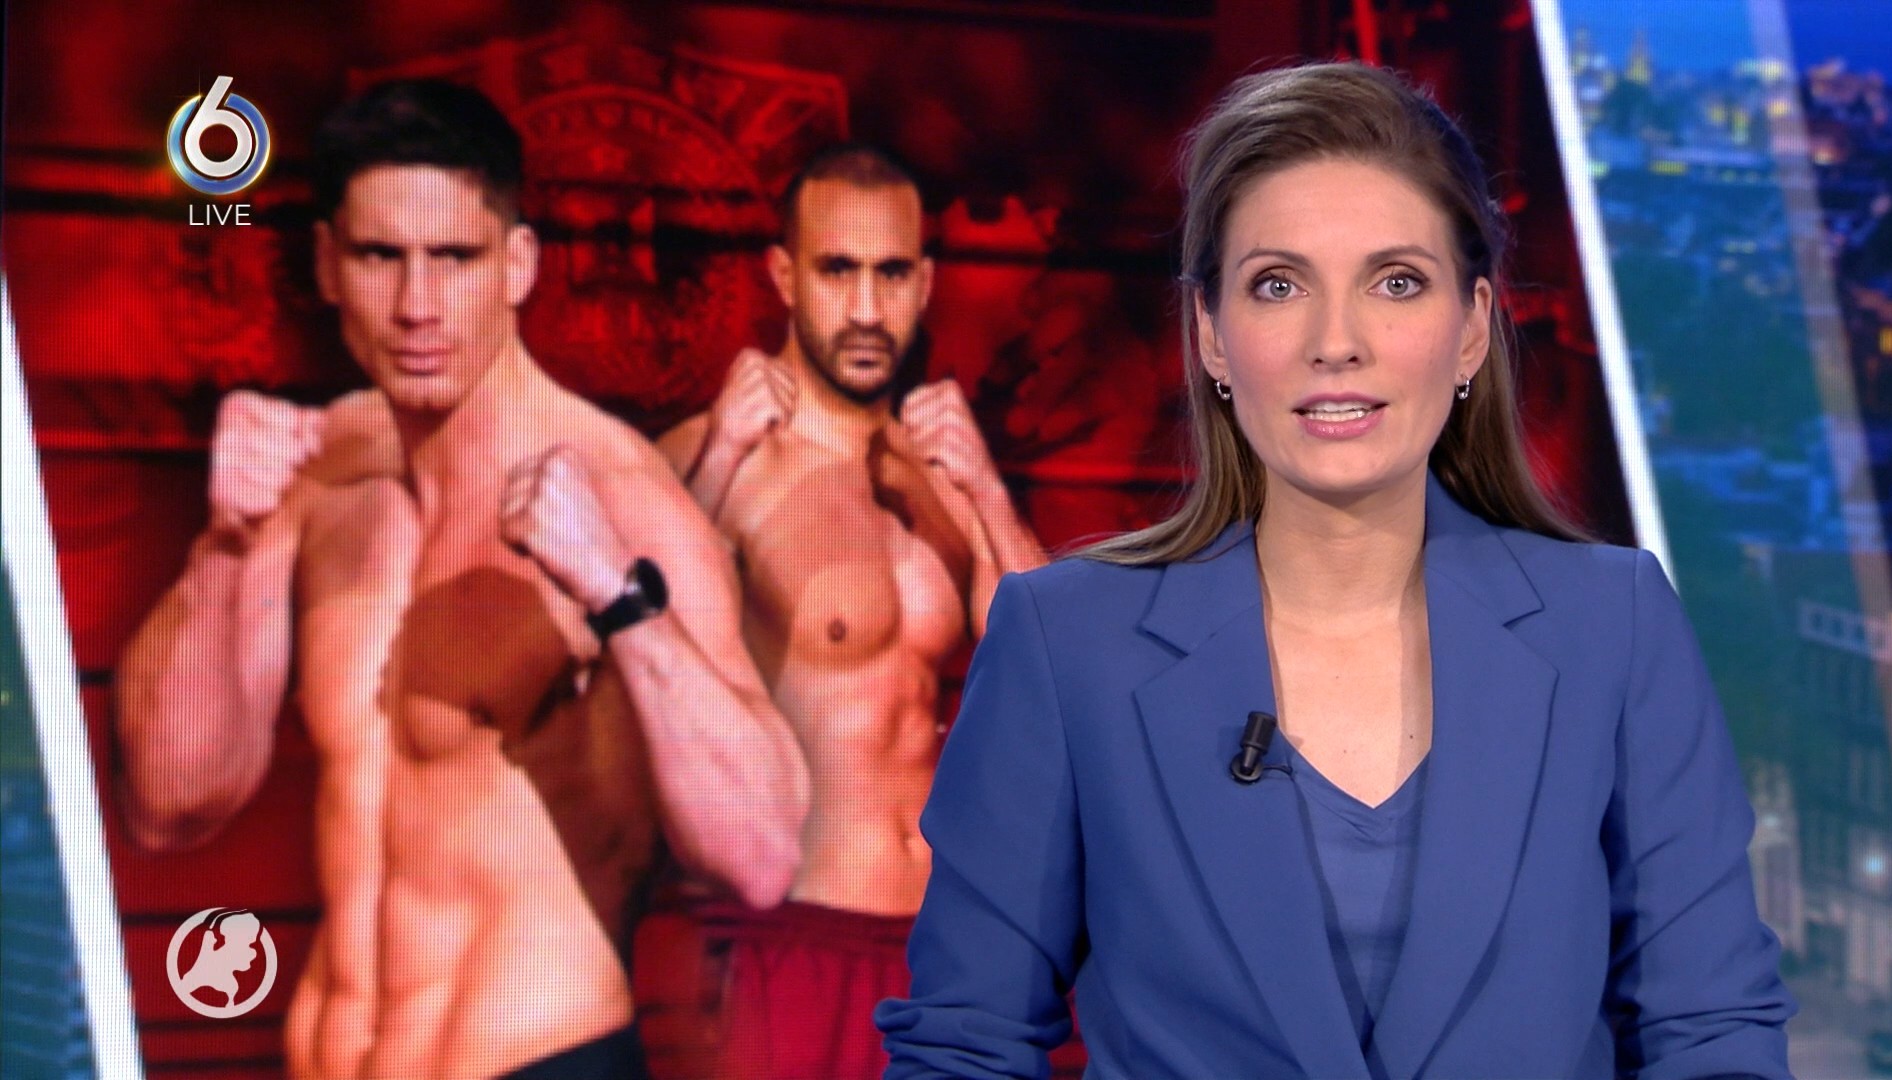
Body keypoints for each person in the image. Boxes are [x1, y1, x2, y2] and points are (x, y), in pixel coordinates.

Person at [875, 62, 1796, 1079]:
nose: (1336, 343)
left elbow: (1713, 1031)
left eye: (1395, 281)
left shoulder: (1613, 627)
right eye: (1279, 285)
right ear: (1211, 335)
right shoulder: (1068, 644)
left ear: (1473, 328)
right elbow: (963, 1045)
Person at [114, 79, 808, 1080]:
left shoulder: (617, 498)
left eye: (455, 258)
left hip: (538, 1058)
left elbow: (760, 857)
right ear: (327, 264)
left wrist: (617, 594)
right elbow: (172, 805)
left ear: (519, 264)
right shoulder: (317, 474)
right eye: (380, 256)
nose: (416, 306)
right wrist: (224, 549)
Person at [653, 143, 1049, 1078]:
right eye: (838, 271)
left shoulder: (943, 468)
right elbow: (634, 651)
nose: (868, 309)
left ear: (925, 283)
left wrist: (987, 494)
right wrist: (715, 468)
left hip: (942, 950)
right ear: (784, 275)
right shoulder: (717, 458)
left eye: (891, 273)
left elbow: (1056, 675)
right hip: (788, 936)